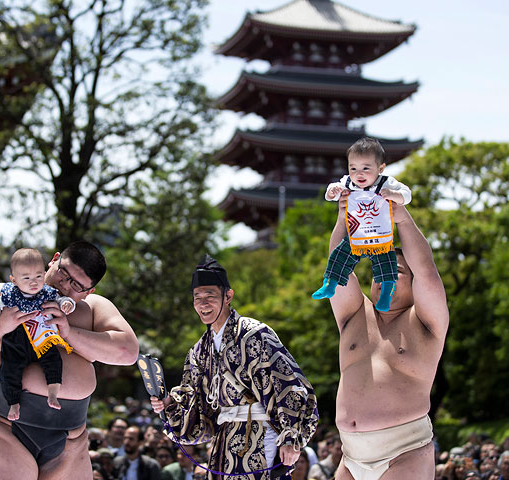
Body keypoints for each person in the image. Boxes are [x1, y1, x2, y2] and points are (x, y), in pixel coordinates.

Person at [0, 240, 139, 480]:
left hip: (71, 438)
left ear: (89, 292)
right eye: (63, 273)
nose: (64, 285)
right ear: (54, 259)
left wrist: (68, 334)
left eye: (76, 285)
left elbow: (128, 353)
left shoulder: (94, 308)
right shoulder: (2, 295)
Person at [150, 254, 318, 480]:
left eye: (209, 296)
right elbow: (197, 408)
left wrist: (291, 437)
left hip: (261, 432)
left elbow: (289, 383)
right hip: (224, 438)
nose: (202, 303)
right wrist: (169, 405)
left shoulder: (256, 334)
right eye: (197, 297)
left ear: (228, 296)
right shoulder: (198, 351)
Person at [325, 185, 449, 478]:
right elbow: (336, 267)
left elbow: (428, 272)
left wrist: (400, 216)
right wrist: (344, 215)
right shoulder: (354, 314)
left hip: (405, 452)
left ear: (413, 283)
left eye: (397, 272)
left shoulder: (427, 323)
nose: (386, 277)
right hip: (350, 454)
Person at [312, 137, 412, 312]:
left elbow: (407, 195)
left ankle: (386, 293)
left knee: (386, 264)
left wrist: (393, 195)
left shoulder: (386, 183)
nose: (359, 174)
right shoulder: (348, 183)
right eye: (353, 168)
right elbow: (331, 193)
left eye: (366, 168)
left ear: (380, 168)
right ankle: (330, 284)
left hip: (380, 235)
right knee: (339, 256)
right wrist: (332, 192)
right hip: (357, 234)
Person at [0, 248, 76, 420]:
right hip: (15, 340)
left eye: (38, 276)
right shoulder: (10, 293)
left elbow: (61, 299)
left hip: (42, 339)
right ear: (14, 279)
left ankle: (53, 393)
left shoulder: (47, 292)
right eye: (26, 278)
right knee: (8, 370)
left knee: (54, 361)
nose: (33, 282)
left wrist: (67, 304)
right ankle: (13, 402)